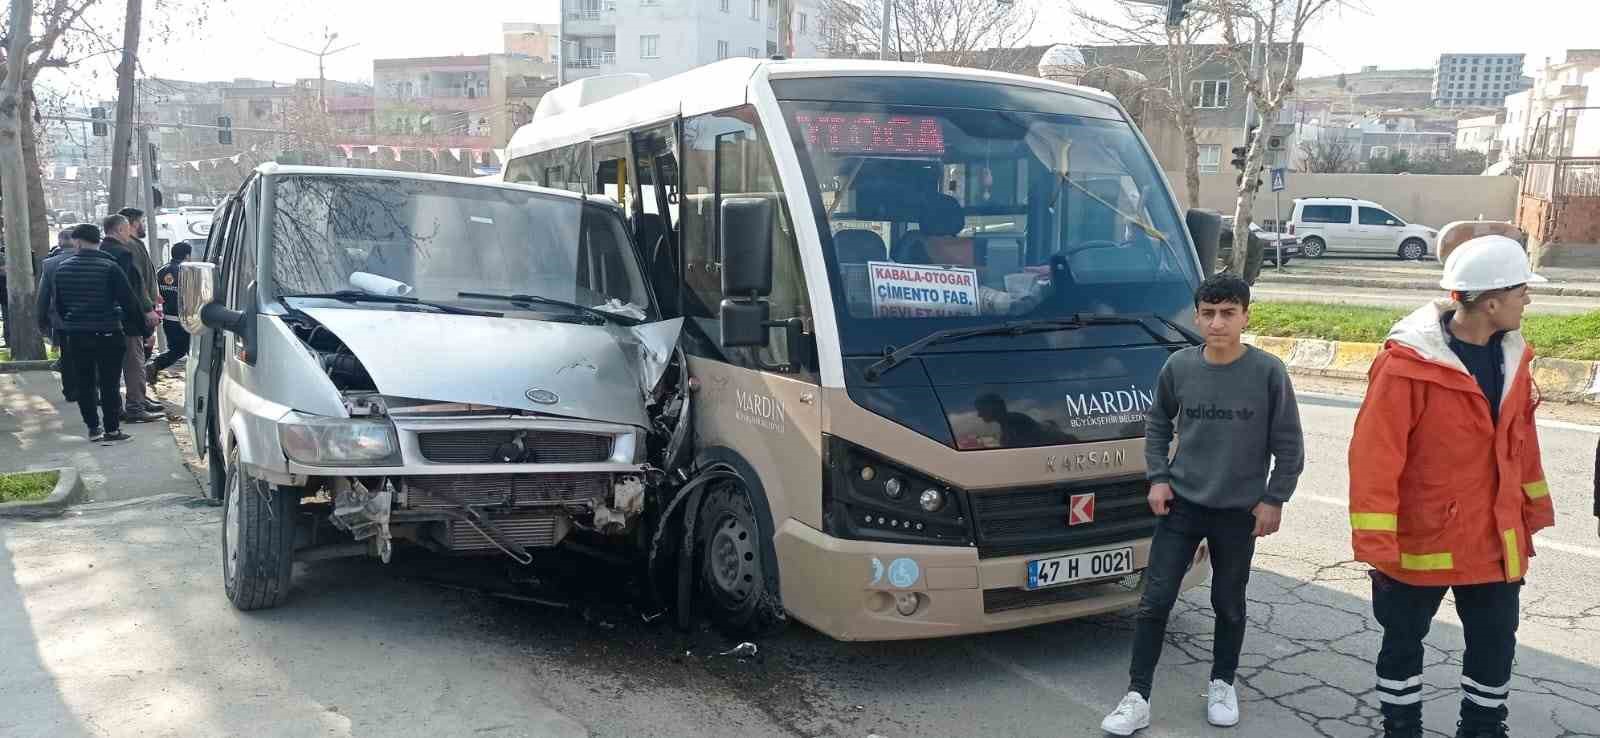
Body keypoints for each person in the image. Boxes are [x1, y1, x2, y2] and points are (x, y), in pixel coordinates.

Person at [1348, 235, 1554, 738]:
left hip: (1494, 540)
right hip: (1421, 544)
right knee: (1402, 644)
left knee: (1495, 643)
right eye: (1521, 291)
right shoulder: (1407, 365)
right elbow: (1374, 459)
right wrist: (1378, 544)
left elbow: (1521, 445)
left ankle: (1483, 728)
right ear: (1490, 302)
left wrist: (1530, 512)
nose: (1527, 300)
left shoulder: (1514, 358)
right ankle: (1401, 727)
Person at [1101, 273, 1305, 736]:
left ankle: (1222, 683)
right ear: (1197, 316)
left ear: (1245, 316)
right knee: (1154, 603)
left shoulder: (1268, 372)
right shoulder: (1179, 367)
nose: (1217, 323)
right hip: (1182, 506)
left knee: (1228, 603)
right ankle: (1137, 697)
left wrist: (1274, 498)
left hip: (1239, 511)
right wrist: (1157, 477)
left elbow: (1289, 444)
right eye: (1209, 314)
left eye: (1228, 313)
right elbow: (1157, 424)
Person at [40, 223, 140, 442]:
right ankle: (112, 429)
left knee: (85, 383)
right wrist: (133, 323)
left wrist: (70, 322)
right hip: (108, 332)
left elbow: (60, 305)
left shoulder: (63, 269)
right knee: (110, 383)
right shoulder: (110, 267)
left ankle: (93, 428)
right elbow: (129, 301)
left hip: (77, 334)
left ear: (77, 242)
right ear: (98, 241)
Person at [99, 214, 162, 423]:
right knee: (134, 364)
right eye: (126, 230)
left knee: (112, 367)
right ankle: (135, 407)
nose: (129, 234)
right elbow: (131, 289)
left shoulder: (102, 251)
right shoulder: (123, 253)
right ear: (119, 230)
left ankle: (126, 406)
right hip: (127, 319)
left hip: (107, 319)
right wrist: (145, 315)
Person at [37, 226, 86, 401]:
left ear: (59, 242)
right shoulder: (88, 259)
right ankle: (90, 388)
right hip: (90, 318)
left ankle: (71, 391)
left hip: (62, 319)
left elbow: (43, 296)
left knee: (67, 356)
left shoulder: (50, 264)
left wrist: (41, 321)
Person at [146, 241, 191, 383]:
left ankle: (155, 366)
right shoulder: (187, 272)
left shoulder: (161, 271)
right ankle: (155, 365)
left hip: (167, 318)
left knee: (176, 348)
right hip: (184, 319)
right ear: (187, 255)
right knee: (184, 350)